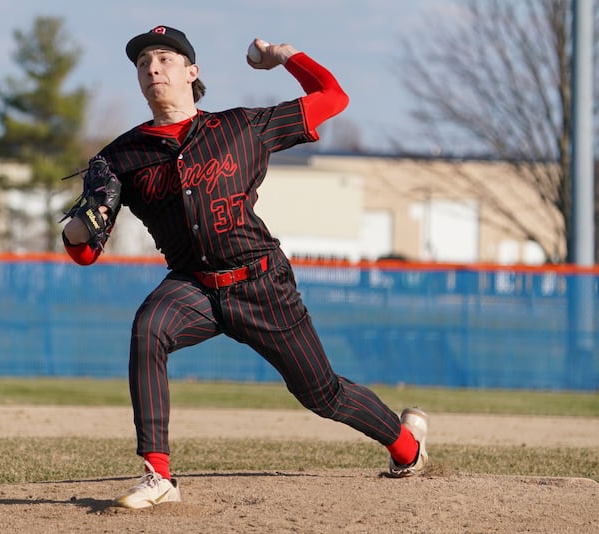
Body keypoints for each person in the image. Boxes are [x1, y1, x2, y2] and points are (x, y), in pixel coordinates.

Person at [62, 25, 429, 509]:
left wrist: (284, 55)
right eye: (143, 62)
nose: (153, 68)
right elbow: (84, 253)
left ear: (192, 73)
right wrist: (77, 228)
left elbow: (332, 97)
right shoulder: (122, 157)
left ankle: (407, 446)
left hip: (261, 283)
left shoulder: (241, 127)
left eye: (166, 59)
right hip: (194, 286)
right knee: (149, 328)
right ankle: (159, 476)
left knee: (323, 394)